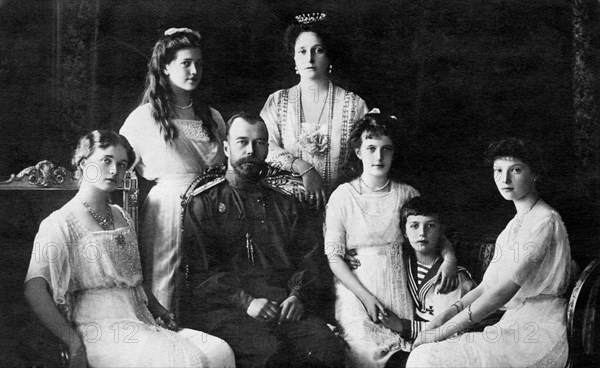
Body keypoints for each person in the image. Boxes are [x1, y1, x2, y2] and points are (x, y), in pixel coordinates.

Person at [24, 130, 234, 368]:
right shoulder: (59, 223)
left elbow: (134, 278)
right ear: (84, 163)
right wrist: (72, 341)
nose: (115, 170)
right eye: (106, 160)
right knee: (186, 362)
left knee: (220, 351)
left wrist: (158, 309)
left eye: (122, 164)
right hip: (98, 329)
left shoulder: (121, 216)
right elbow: (34, 289)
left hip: (139, 318)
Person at [180, 112, 344, 368]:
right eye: (242, 142)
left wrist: (298, 296)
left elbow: (311, 260)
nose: (251, 150)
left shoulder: (286, 204)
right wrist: (246, 302)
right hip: (228, 310)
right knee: (270, 355)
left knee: (326, 348)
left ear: (267, 148)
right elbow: (201, 274)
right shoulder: (204, 204)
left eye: (259, 143)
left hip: (284, 307)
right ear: (226, 147)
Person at [406, 137, 572, 368]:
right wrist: (444, 317)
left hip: (538, 330)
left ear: (535, 174)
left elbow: (503, 291)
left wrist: (444, 331)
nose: (504, 179)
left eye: (515, 170)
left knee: (428, 358)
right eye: (498, 170)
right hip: (512, 322)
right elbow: (486, 287)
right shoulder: (512, 227)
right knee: (424, 355)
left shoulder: (544, 221)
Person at [324, 111, 459, 368]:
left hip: (398, 283)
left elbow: (433, 234)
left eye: (386, 149)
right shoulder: (342, 196)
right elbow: (334, 258)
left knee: (409, 350)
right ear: (357, 151)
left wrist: (450, 258)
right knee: (364, 348)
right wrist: (365, 298)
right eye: (371, 148)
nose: (378, 156)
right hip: (356, 287)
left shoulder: (406, 193)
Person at [119, 27, 226, 311]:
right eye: (185, 63)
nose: (194, 71)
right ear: (165, 67)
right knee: (167, 281)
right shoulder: (145, 118)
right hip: (168, 210)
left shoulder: (213, 117)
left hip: (212, 208)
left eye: (198, 64)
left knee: (210, 280)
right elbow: (119, 169)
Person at [260, 12, 369, 208]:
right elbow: (264, 146)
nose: (309, 58)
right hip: (286, 207)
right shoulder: (277, 102)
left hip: (342, 205)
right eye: (302, 51)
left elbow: (366, 158)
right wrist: (303, 167)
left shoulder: (354, 105)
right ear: (294, 58)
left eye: (317, 50)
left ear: (329, 56)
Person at [380, 196, 475, 367]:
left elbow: (450, 330)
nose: (422, 233)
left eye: (430, 226)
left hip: (439, 345)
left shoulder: (452, 277)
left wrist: (404, 326)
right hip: (407, 341)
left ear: (441, 231)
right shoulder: (400, 264)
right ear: (404, 231)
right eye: (414, 226)